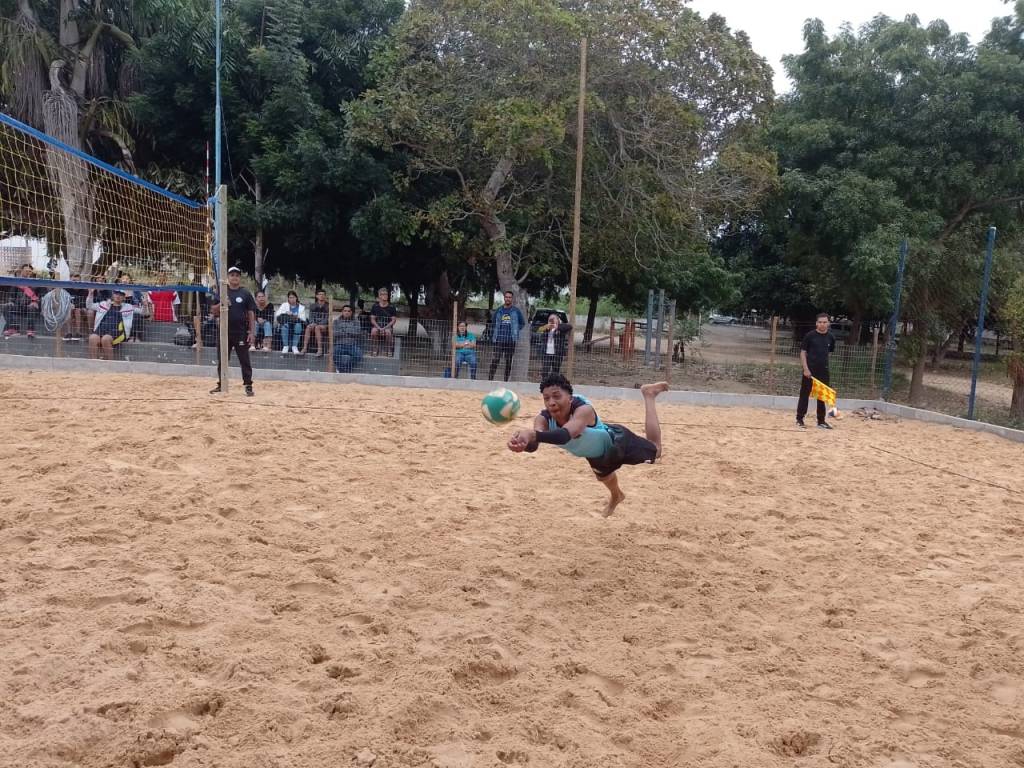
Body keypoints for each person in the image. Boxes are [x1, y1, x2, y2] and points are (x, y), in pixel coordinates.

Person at [508, 374, 669, 517]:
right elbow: (535, 444)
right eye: (546, 398)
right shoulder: (543, 419)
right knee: (604, 476)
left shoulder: (584, 410)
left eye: (556, 396)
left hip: (617, 442)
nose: (551, 403)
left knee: (656, 450)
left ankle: (649, 395)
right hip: (594, 454)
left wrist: (532, 435)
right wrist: (522, 443)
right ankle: (617, 496)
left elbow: (565, 435)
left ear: (570, 398)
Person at [210, 266, 256, 397]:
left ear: (239, 278)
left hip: (241, 332)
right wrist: (222, 303)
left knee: (244, 360)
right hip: (224, 332)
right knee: (223, 359)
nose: (234, 277)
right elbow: (213, 310)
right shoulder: (222, 292)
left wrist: (251, 332)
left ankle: (248, 385)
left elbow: (251, 313)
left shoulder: (245, 293)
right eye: (232, 275)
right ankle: (222, 384)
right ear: (228, 277)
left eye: (237, 275)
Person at [797, 312, 836, 429]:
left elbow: (829, 353)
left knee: (821, 396)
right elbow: (803, 353)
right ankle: (799, 419)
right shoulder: (810, 336)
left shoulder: (831, 337)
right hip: (809, 371)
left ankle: (821, 421)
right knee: (804, 395)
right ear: (816, 323)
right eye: (820, 322)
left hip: (824, 371)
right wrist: (806, 369)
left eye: (824, 322)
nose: (822, 324)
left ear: (828, 323)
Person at [87, 287, 140, 359]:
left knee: (105, 339)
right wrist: (90, 294)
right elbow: (89, 305)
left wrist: (145, 304)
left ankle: (110, 363)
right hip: (101, 329)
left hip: (117, 331)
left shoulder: (128, 307)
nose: (118, 296)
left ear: (124, 297)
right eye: (116, 293)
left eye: (121, 294)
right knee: (92, 338)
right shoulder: (103, 304)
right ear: (113, 295)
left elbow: (143, 312)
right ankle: (94, 362)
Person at [488, 290, 525, 381]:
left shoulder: (516, 311)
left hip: (511, 340)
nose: (508, 299)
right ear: (504, 298)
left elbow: (522, 323)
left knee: (508, 361)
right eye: (506, 297)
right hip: (499, 339)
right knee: (496, 359)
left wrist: (516, 330)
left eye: (509, 297)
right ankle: (490, 379)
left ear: (512, 299)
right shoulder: (499, 310)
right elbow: (493, 323)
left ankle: (505, 381)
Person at [2, 264, 41, 339]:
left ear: (32, 272)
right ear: (21, 271)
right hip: (18, 306)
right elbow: (12, 295)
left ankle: (30, 330)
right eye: (25, 270)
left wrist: (36, 302)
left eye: (29, 271)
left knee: (32, 307)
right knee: (6, 307)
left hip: (30, 307)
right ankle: (14, 328)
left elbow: (41, 296)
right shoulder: (17, 282)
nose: (27, 272)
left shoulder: (36, 283)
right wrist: (11, 301)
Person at [537, 313, 573, 378]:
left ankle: (554, 383)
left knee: (556, 371)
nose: (552, 320)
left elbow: (570, 327)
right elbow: (539, 330)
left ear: (557, 320)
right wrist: (546, 327)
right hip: (546, 353)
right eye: (550, 319)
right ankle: (544, 382)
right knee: (545, 370)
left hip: (557, 353)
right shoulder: (546, 328)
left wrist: (557, 327)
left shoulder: (560, 328)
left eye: (553, 319)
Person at [332, 304, 365, 373]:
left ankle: (347, 368)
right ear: (342, 312)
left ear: (351, 312)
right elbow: (335, 333)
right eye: (345, 311)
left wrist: (343, 331)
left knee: (359, 355)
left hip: (352, 345)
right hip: (339, 344)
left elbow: (357, 332)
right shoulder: (336, 321)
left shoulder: (356, 322)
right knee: (334, 354)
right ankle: (341, 369)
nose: (346, 312)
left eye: (348, 311)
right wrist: (350, 331)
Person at [275, 291, 307, 355]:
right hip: (287, 323)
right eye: (290, 297)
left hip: (296, 323)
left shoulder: (301, 307)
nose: (292, 299)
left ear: (296, 298)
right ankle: (285, 346)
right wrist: (286, 312)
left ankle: (294, 346)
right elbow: (277, 314)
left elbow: (304, 318)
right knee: (285, 326)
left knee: (298, 326)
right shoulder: (284, 305)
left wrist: (297, 316)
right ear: (288, 298)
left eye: (293, 297)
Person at [301, 289, 330, 356]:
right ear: (316, 296)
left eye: (323, 294)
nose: (321, 296)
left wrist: (318, 324)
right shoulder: (313, 305)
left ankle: (320, 349)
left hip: (324, 325)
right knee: (308, 327)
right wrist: (312, 323)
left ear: (325, 296)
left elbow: (326, 318)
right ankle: (304, 348)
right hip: (314, 324)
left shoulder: (328, 306)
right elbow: (311, 316)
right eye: (320, 294)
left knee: (317, 327)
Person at [370, 287, 397, 356]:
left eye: (386, 294)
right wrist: (379, 328)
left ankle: (388, 349)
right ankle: (375, 348)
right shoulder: (375, 306)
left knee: (388, 332)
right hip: (377, 326)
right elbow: (372, 319)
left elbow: (393, 320)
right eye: (383, 294)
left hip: (387, 327)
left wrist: (384, 328)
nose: (385, 296)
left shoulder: (392, 307)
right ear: (379, 296)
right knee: (373, 331)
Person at [63, 273, 89, 341]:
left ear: (80, 281)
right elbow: (64, 301)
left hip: (81, 309)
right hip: (70, 308)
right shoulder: (66, 289)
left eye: (77, 281)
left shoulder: (84, 290)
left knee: (77, 310)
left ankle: (78, 332)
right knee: (69, 309)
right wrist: (70, 305)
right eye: (73, 281)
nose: (75, 283)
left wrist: (75, 306)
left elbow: (84, 303)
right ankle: (69, 333)